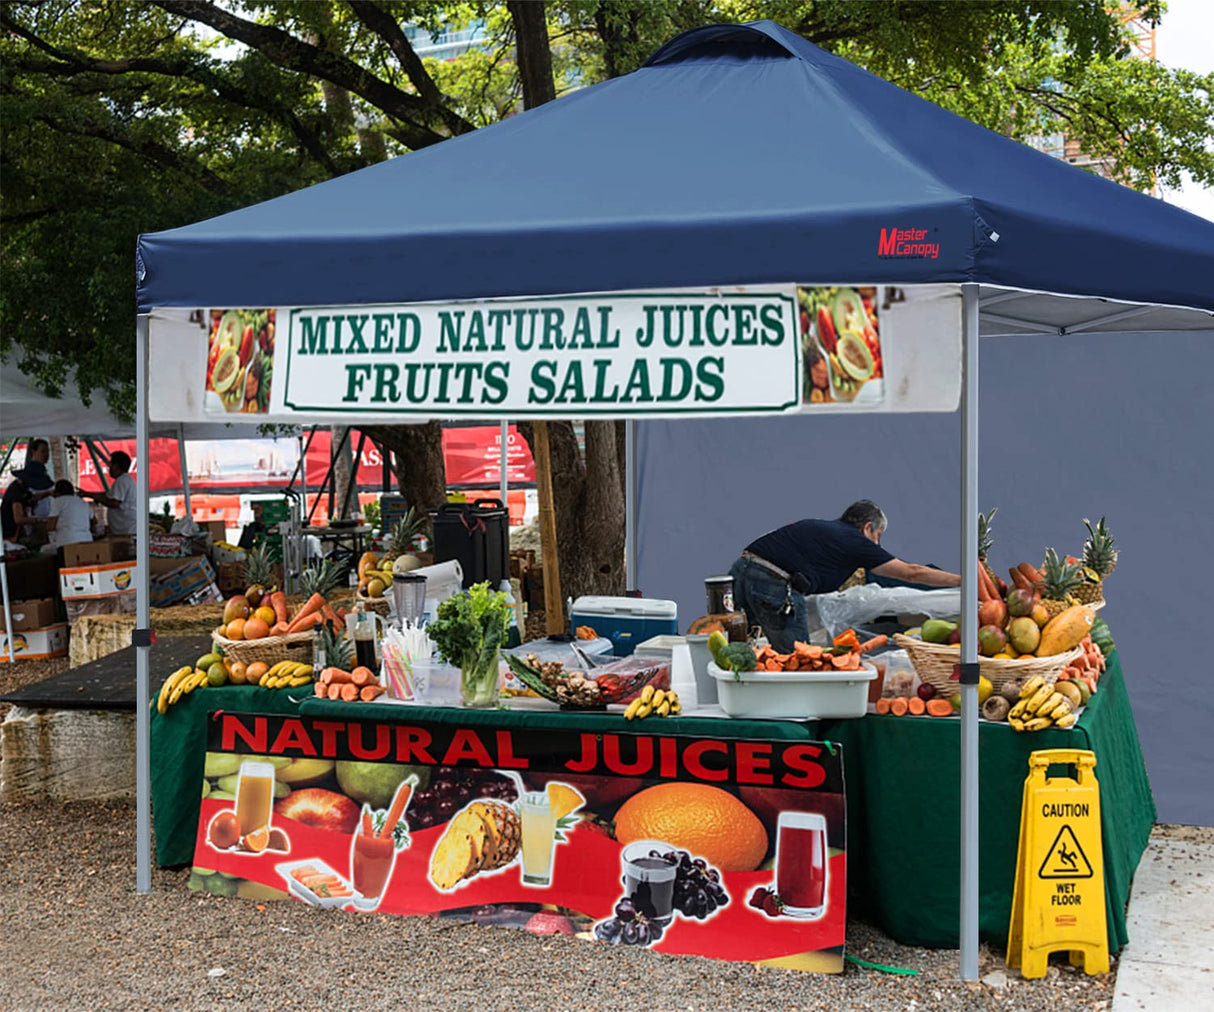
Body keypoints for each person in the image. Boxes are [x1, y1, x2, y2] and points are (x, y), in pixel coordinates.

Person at [730, 500, 961, 652]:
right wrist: (963, 581)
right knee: (797, 661)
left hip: (740, 572)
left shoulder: (822, 529)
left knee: (738, 651)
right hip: (773, 584)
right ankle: (794, 719)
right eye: (878, 535)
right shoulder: (854, 540)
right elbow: (912, 573)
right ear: (867, 527)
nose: (878, 544)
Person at [81, 451, 137, 536]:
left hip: (127, 531)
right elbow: (107, 495)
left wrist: (97, 498)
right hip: (125, 530)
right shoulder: (125, 480)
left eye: (111, 465)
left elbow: (114, 502)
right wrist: (89, 494)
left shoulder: (122, 481)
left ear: (117, 466)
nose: (109, 468)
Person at [44, 480, 94, 549]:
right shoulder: (82, 502)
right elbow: (94, 521)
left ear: (57, 492)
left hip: (66, 541)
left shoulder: (58, 501)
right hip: (86, 540)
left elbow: (51, 525)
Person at [19, 439, 55, 517]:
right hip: (34, 519)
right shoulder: (28, 474)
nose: (46, 455)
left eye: (48, 452)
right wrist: (48, 493)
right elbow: (27, 498)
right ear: (33, 452)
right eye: (43, 451)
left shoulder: (44, 474)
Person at [2, 474, 37, 545]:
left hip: (16, 531)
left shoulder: (24, 489)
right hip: (10, 532)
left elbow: (33, 497)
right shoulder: (16, 492)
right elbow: (18, 519)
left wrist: (47, 493)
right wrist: (39, 520)